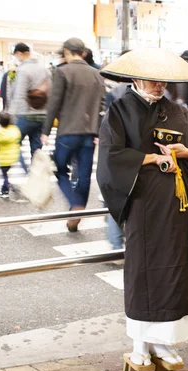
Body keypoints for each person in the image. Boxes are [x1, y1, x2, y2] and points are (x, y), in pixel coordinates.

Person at [97, 48, 188, 368]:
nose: (158, 85)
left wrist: (186, 152)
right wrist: (150, 157)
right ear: (135, 77)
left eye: (163, 80)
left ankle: (164, 344)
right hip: (143, 206)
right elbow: (111, 157)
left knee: (174, 276)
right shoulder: (120, 111)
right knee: (143, 275)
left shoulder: (181, 114)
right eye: (152, 79)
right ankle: (139, 344)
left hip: (177, 207)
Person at [41, 38, 106, 232]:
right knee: (84, 174)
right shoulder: (97, 74)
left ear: (68, 52)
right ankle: (78, 212)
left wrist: (45, 132)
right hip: (89, 132)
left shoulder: (63, 72)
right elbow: (102, 105)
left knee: (60, 169)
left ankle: (74, 204)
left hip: (68, 131)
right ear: (83, 53)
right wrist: (98, 129)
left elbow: (54, 103)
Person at [9, 42, 51, 172]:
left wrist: (10, 114)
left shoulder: (23, 70)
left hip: (25, 114)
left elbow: (19, 94)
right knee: (36, 149)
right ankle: (34, 176)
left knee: (13, 144)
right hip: (42, 115)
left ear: (20, 53)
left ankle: (25, 171)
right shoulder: (45, 69)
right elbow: (50, 91)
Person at [0, 112, 21, 198]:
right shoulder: (14, 130)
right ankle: (9, 186)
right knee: (6, 174)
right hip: (13, 157)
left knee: (4, 175)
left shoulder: (0, 133)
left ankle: (5, 190)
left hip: (3, 160)